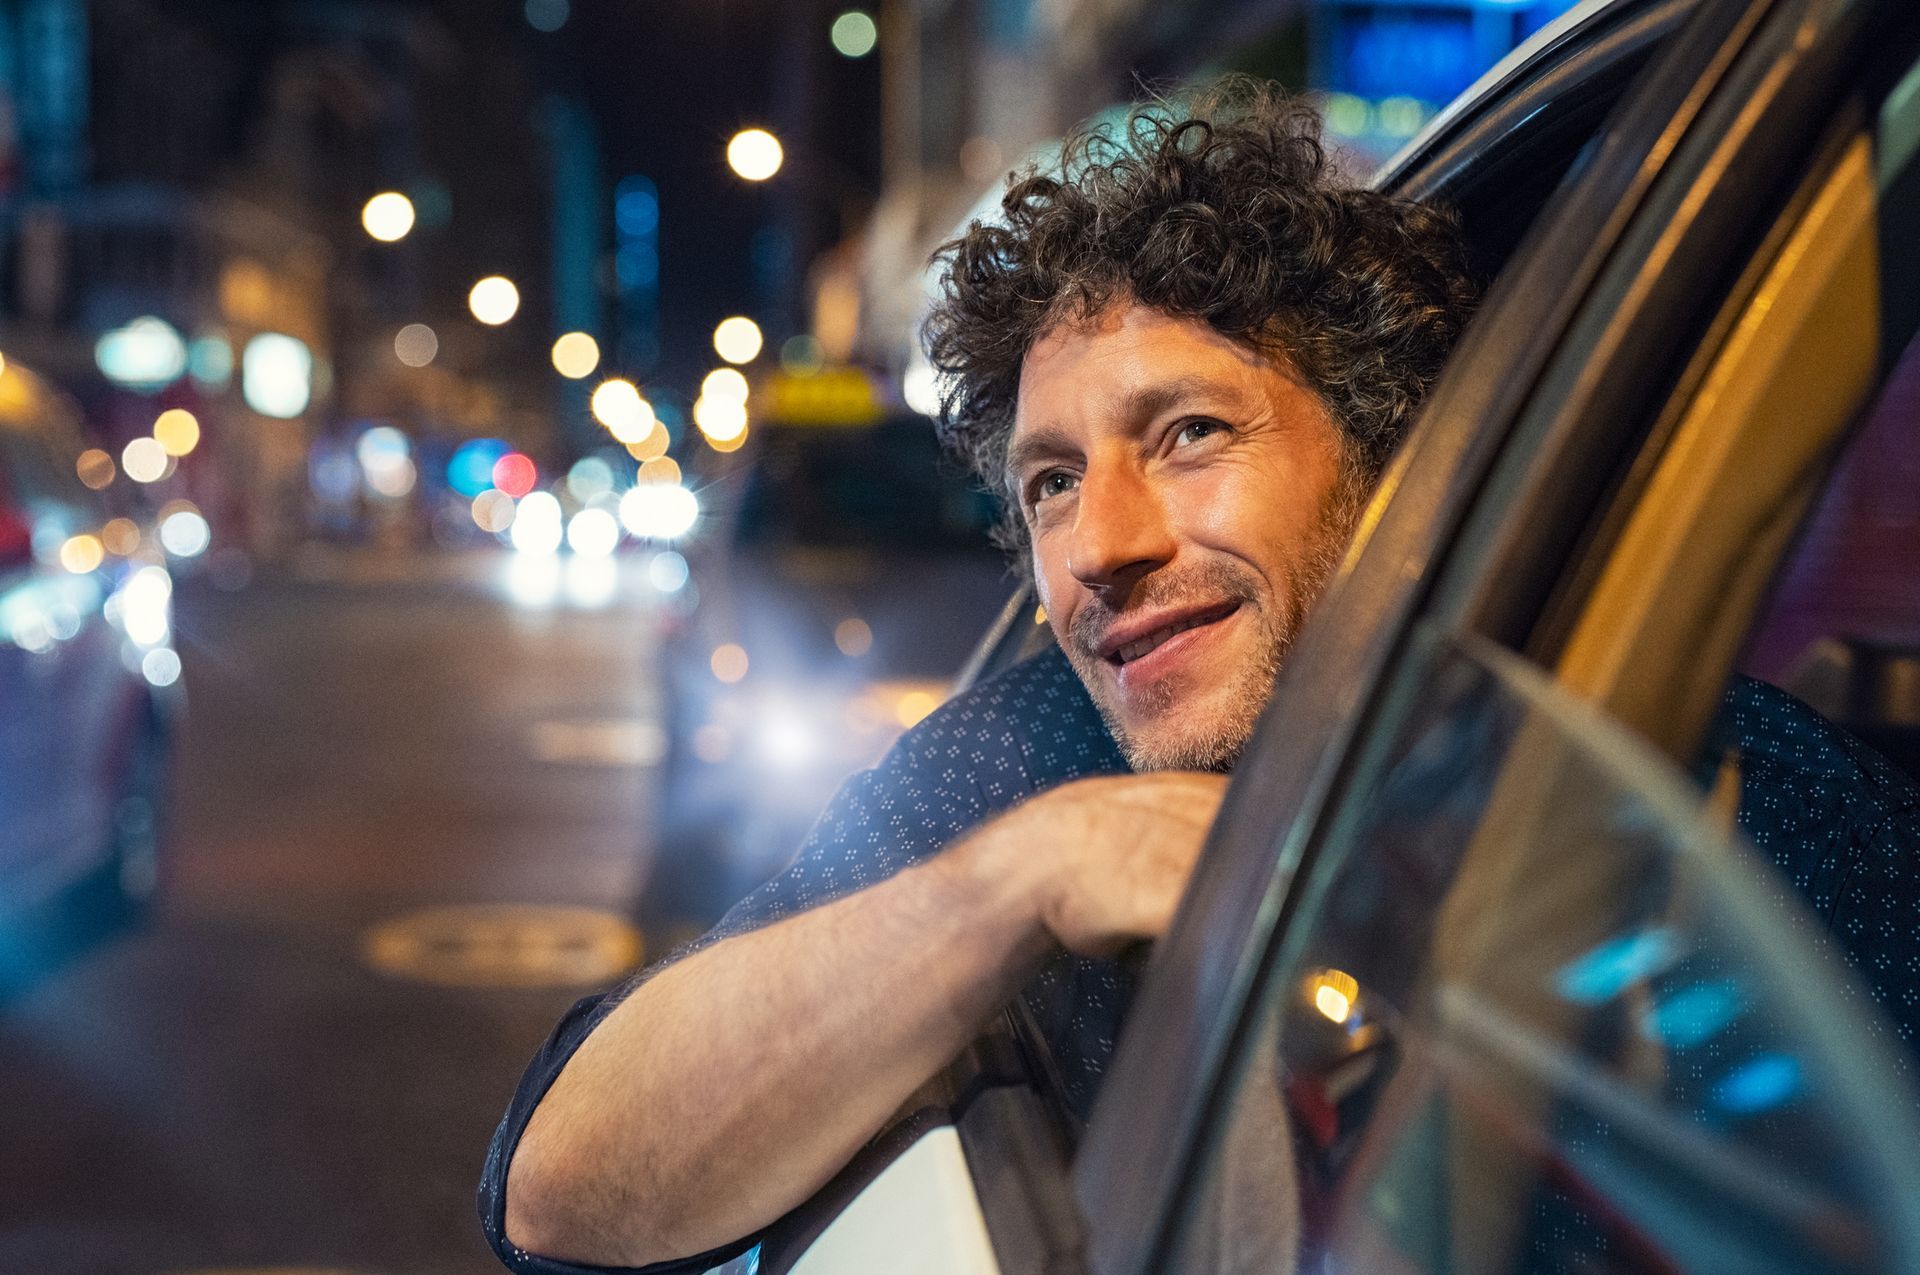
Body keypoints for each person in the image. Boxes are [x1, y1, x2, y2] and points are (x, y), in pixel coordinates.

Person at [481, 79, 1920, 1275]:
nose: (1098, 549)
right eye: (1050, 482)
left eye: (1186, 435)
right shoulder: (1045, 755)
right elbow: (559, 1187)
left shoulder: (1753, 797)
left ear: (1388, 473)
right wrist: (1017, 881)